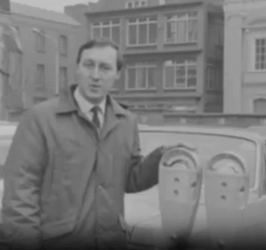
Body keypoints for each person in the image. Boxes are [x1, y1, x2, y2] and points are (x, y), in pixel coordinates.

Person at [2, 37, 166, 250]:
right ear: (77, 68)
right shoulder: (40, 119)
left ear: (117, 75)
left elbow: (128, 179)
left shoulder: (126, 121)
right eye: (89, 65)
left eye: (105, 68)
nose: (95, 75)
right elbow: (20, 195)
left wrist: (163, 159)